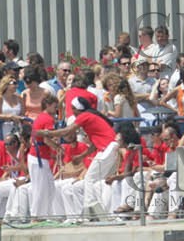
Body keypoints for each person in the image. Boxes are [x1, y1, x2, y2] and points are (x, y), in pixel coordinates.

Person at [35, 91, 120, 219]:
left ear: (78, 109)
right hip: (109, 149)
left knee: (90, 179)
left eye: (73, 108)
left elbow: (68, 130)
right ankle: (100, 213)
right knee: (98, 182)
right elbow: (94, 144)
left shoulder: (84, 115)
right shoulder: (89, 117)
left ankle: (92, 211)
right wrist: (82, 156)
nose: (72, 111)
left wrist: (48, 133)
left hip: (108, 149)